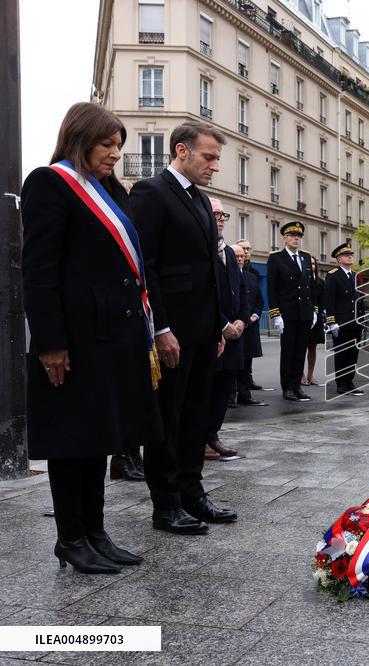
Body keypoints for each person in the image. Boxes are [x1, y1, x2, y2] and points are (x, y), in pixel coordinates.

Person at [21, 102, 157, 572]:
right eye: (106, 144)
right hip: (75, 338)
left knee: (100, 437)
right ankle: (71, 538)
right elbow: (38, 272)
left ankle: (96, 533)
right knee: (71, 439)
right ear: (79, 140)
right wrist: (50, 342)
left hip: (113, 335)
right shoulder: (49, 183)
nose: (115, 153)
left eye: (119, 145)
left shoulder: (109, 191)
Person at [131, 120, 236, 534]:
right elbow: (147, 266)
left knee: (195, 418)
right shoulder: (152, 193)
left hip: (203, 331)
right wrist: (161, 328)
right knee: (167, 420)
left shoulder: (200, 200)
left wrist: (218, 328)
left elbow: (209, 270)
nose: (215, 165)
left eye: (217, 158)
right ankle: (166, 505)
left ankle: (194, 494)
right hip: (172, 332)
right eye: (209, 157)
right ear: (181, 151)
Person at [204, 199, 249, 461]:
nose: (220, 218)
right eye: (215, 214)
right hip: (214, 332)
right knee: (206, 390)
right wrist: (223, 325)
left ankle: (213, 435)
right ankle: (199, 439)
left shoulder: (230, 252)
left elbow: (241, 289)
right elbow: (203, 292)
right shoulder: (201, 248)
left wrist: (241, 320)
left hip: (235, 334)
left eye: (223, 215)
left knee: (223, 389)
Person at [266, 221, 317, 402]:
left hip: (304, 313)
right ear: (285, 238)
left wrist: (314, 311)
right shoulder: (276, 258)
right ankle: (287, 387)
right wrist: (275, 314)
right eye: (293, 236)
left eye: (299, 236)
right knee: (288, 352)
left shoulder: (305, 257)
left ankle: (297, 385)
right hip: (287, 314)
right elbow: (271, 289)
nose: (297, 239)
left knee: (300, 351)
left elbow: (310, 287)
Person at [324, 241, 366, 395]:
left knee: (353, 354)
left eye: (350, 254)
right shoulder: (333, 276)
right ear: (338, 258)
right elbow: (329, 300)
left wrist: (362, 318)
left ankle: (349, 382)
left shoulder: (356, 276)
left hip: (355, 322)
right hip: (341, 323)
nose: (350, 257)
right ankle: (341, 384)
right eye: (346, 255)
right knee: (342, 354)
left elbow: (359, 298)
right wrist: (332, 321)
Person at [234, 240, 267, 405]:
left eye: (242, 255)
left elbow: (259, 300)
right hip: (234, 326)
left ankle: (245, 395)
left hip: (250, 326)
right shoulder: (226, 274)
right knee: (233, 364)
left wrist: (254, 315)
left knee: (246, 362)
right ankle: (229, 396)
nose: (241, 258)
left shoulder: (252, 277)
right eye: (237, 255)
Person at [302, 255, 325, 386]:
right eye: (309, 263)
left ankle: (310, 374)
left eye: (313, 264)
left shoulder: (320, 282)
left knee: (312, 348)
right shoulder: (301, 280)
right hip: (303, 317)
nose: (312, 266)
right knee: (301, 348)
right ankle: (301, 375)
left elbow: (323, 301)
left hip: (316, 319)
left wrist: (316, 313)